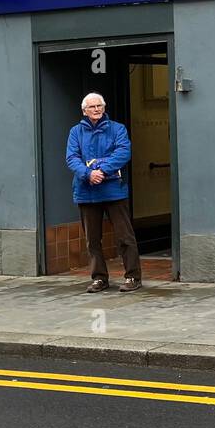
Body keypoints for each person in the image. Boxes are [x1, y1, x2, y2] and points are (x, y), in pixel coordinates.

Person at [66, 92, 142, 293]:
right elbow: (72, 157)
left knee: (125, 236)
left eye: (99, 105)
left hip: (114, 191)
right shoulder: (75, 132)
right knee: (93, 240)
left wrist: (102, 170)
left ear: (104, 107)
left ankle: (133, 276)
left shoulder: (118, 129)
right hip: (86, 192)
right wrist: (88, 174)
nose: (96, 109)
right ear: (84, 111)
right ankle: (99, 278)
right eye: (92, 107)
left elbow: (123, 152)